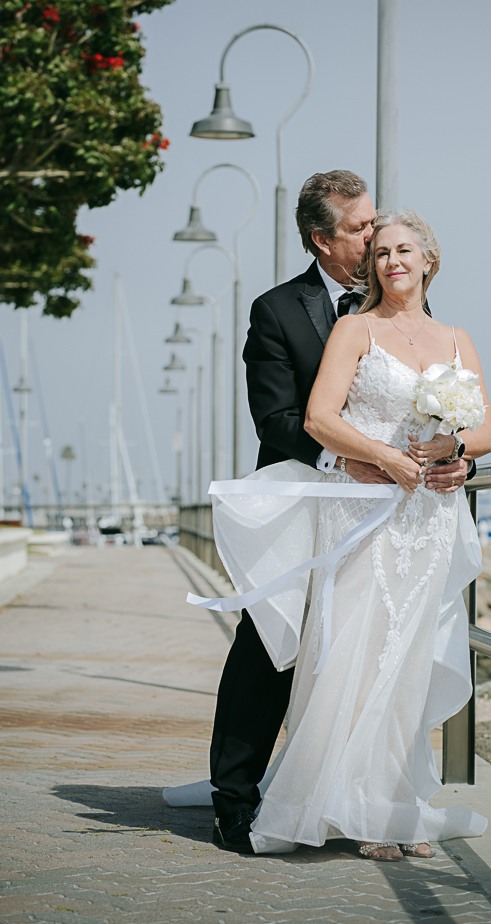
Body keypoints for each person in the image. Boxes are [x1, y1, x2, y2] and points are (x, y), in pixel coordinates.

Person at [163, 172, 472, 852]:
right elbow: (278, 418)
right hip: (307, 494)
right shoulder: (279, 311)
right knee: (271, 644)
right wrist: (347, 457)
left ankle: (362, 793)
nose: (373, 237)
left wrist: (459, 459)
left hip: (394, 509)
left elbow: (442, 405)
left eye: (376, 226)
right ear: (321, 239)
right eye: (360, 229)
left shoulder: (398, 303)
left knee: (375, 649)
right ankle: (236, 798)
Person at [243, 208, 491, 857]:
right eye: (381, 252)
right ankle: (343, 805)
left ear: (428, 259)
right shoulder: (354, 330)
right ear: (371, 266)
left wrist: (458, 453)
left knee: (409, 657)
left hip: (429, 517)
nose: (392, 262)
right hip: (365, 509)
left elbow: (487, 430)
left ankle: (392, 802)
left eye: (404, 249)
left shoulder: (457, 338)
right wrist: (384, 458)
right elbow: (322, 418)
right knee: (353, 652)